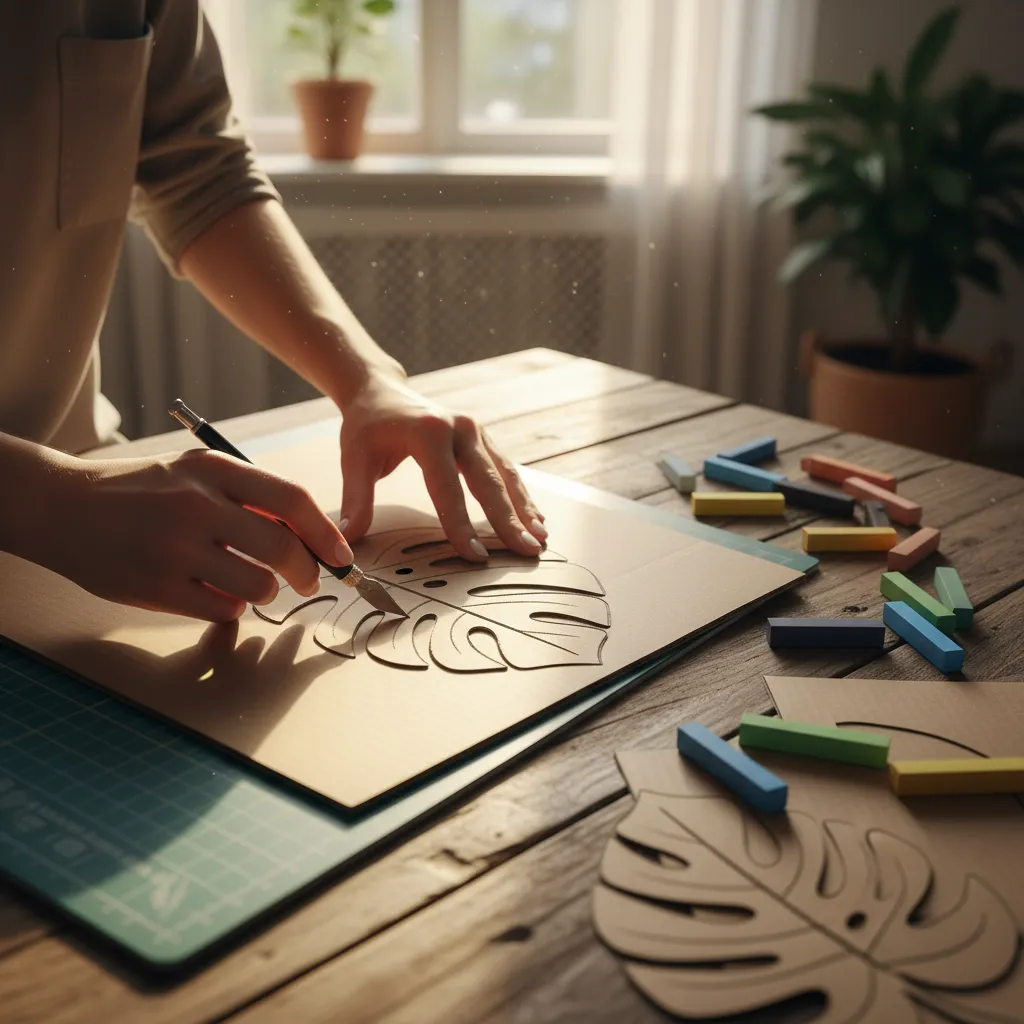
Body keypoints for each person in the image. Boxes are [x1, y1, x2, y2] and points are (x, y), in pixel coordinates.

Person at [0, 2, 546, 623]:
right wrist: (43, 504)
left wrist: (367, 380)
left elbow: (200, 171)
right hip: (73, 507)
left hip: (88, 480)